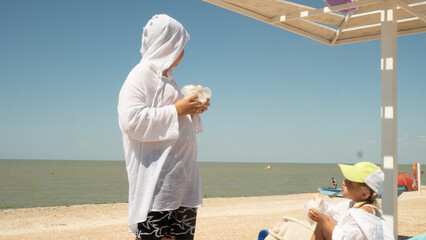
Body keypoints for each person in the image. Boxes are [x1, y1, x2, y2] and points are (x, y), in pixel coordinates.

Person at [118, 14, 210, 240]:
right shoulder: (139, 76)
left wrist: (193, 110)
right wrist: (178, 109)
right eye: (180, 45)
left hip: (181, 184)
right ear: (167, 44)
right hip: (156, 187)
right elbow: (131, 120)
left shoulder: (169, 79)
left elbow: (176, 121)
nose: (183, 51)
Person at [309, 162, 394, 240]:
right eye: (346, 179)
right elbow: (334, 211)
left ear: (364, 194)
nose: (343, 182)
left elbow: (344, 238)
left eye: (350, 183)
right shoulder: (353, 204)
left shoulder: (361, 216)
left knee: (323, 224)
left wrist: (324, 222)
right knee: (324, 221)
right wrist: (320, 203)